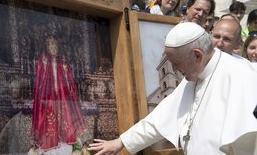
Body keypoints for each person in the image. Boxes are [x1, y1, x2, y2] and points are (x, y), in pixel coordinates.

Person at [88, 22, 257, 155]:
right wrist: (121, 142)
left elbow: (248, 144)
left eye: (177, 63)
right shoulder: (194, 74)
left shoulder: (241, 76)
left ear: (197, 55)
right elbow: (160, 118)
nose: (175, 70)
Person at [32, 36, 86, 153]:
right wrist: (45, 66)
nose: (54, 49)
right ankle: (51, 140)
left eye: (55, 46)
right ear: (47, 48)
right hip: (49, 96)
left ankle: (64, 139)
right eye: (51, 47)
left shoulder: (62, 60)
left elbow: (68, 78)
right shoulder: (44, 59)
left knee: (64, 115)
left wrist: (66, 71)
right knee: (50, 117)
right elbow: (40, 78)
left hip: (62, 95)